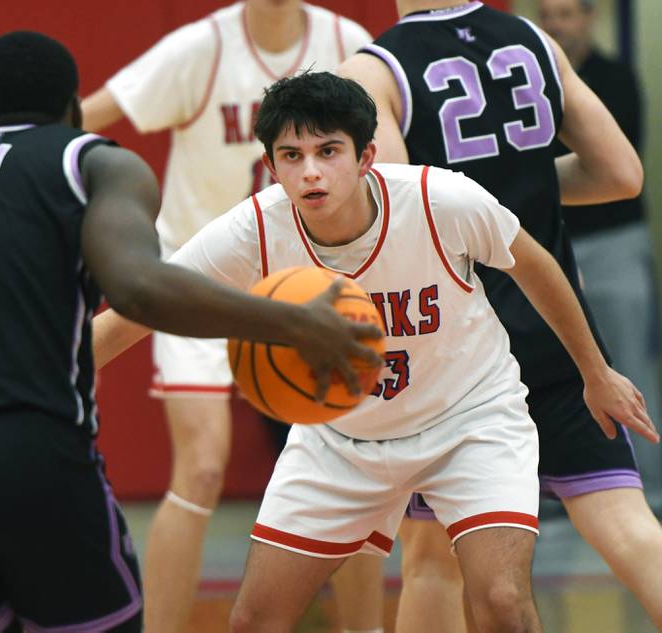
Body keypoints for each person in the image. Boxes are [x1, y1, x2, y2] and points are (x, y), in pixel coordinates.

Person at [91, 71, 657, 633]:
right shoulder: (255, 228)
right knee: (254, 619)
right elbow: (141, 307)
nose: (310, 170)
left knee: (503, 603)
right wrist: (44, 377)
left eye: (328, 151)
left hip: (469, 422)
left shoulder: (439, 199)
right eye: (291, 156)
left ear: (366, 156)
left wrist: (596, 371)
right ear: (271, 165)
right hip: (341, 439)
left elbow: (535, 265)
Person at [0, 33, 381, 633]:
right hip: (26, 450)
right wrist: (293, 322)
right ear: (73, 112)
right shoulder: (91, 160)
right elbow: (138, 287)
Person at [337, 0, 662, 629]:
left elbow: (411, 226)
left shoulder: (375, 69)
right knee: (631, 530)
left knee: (434, 558)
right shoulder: (535, 39)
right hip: (560, 332)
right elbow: (623, 174)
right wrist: (523, 185)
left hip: (461, 354)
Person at [81, 3, 382, 631]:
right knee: (203, 465)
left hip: (308, 285)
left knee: (355, 469)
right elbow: (92, 114)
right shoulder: (201, 48)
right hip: (201, 275)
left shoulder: (345, 39)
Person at [539, 0, 662, 493]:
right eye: (547, 16)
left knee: (628, 361)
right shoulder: (527, 84)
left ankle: (649, 487)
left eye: (566, 14)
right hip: (549, 245)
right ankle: (560, 484)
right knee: (551, 370)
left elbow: (615, 167)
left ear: (589, 18)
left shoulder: (614, 78)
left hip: (611, 241)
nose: (557, 25)